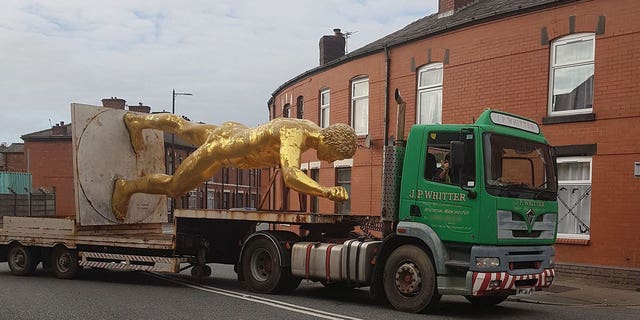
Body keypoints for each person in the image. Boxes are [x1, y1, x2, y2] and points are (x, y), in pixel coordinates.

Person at [111, 112, 357, 220]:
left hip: (231, 131)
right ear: (328, 140)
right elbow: (291, 176)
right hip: (219, 153)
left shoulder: (311, 126)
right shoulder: (295, 135)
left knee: (183, 126)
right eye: (334, 155)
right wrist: (325, 191)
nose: (331, 161)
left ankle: (137, 121)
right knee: (175, 187)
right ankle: (126, 188)